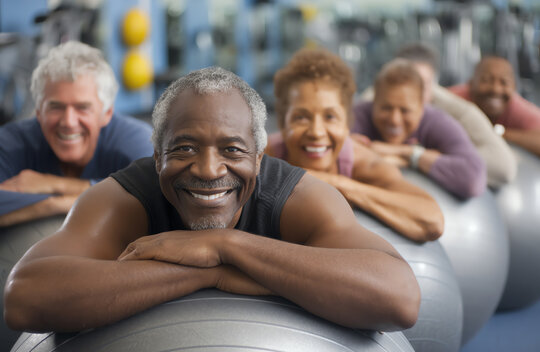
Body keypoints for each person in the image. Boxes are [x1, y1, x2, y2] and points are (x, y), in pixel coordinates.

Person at [4, 66, 420, 333]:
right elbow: (24, 298)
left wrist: (226, 246)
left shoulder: (297, 196)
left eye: (232, 150)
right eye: (183, 148)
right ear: (156, 156)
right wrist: (208, 273)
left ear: (258, 158)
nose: (208, 169)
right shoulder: (125, 197)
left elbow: (400, 298)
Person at [266, 48, 443, 242]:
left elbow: (431, 220)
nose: (316, 132)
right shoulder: (264, 158)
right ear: (283, 123)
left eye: (330, 117)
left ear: (347, 124)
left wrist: (338, 184)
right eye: (301, 117)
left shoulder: (362, 163)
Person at [0, 41, 154, 227]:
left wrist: (54, 186)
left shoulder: (135, 141)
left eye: (82, 108)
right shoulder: (12, 142)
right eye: (55, 107)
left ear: (106, 114)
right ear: (39, 112)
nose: (68, 122)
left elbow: (154, 196)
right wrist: (50, 206)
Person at [360, 42, 516, 188]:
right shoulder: (370, 102)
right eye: (403, 81)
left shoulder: (457, 112)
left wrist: (416, 156)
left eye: (422, 84)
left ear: (434, 83)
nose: (409, 93)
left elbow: (502, 167)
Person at [353, 59, 487, 199]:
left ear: (421, 108)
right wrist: (429, 157)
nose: (394, 119)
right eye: (386, 108)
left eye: (405, 111)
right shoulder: (358, 115)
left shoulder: (437, 121)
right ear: (374, 102)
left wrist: (410, 154)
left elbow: (473, 179)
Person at [450, 55, 540, 157]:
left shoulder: (515, 105)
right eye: (486, 80)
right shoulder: (453, 99)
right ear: (471, 84)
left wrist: (498, 133)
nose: (495, 89)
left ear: (514, 87)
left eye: (504, 82)